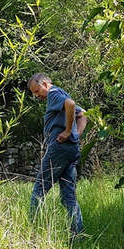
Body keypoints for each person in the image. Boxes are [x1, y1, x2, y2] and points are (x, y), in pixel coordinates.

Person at [28, 73, 87, 237]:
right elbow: (83, 115)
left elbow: (70, 104)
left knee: (39, 190)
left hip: (59, 149)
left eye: (37, 90)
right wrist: (75, 135)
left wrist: (68, 131)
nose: (36, 95)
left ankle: (31, 235)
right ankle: (78, 235)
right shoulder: (60, 93)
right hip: (70, 150)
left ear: (46, 84)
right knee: (68, 196)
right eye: (34, 92)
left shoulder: (54, 94)